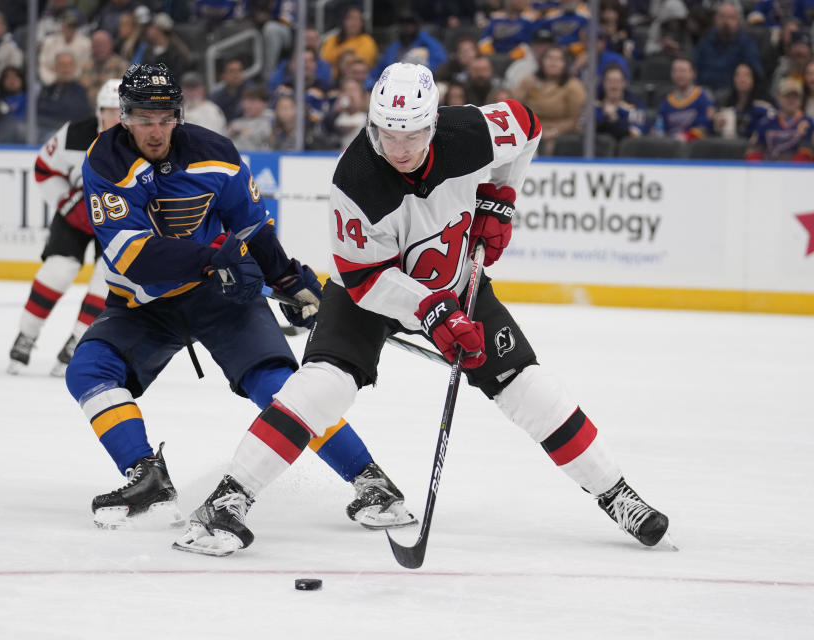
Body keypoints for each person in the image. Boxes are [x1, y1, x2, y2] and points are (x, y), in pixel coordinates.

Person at [174, 62, 671, 557]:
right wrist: (432, 310)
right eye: (389, 134)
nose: (401, 148)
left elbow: (528, 125)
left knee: (530, 388)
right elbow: (366, 279)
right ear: (373, 126)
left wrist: (502, 195)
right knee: (322, 387)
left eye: (412, 133)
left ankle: (615, 493)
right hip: (369, 293)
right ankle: (228, 499)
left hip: (457, 282)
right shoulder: (356, 179)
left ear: (433, 124)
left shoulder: (469, 133)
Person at [65, 62, 415, 532]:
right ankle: (145, 475)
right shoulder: (104, 162)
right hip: (144, 303)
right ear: (124, 117)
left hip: (221, 296)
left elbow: (252, 227)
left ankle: (371, 481)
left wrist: (291, 281)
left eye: (165, 117)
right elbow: (131, 255)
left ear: (179, 115)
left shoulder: (217, 155)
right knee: (88, 369)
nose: (156, 130)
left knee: (278, 386)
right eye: (144, 119)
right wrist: (213, 256)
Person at [7, 79, 122, 377]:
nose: (114, 118)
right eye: (109, 110)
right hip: (76, 214)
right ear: (98, 110)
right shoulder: (74, 134)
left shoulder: (142, 141)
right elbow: (45, 169)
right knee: (57, 271)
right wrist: (68, 203)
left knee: (107, 282)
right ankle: (26, 335)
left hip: (118, 222)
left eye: (121, 111)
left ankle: (78, 342)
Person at [513, 45, 587, 155]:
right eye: (549, 58)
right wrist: (524, 89)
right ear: (542, 62)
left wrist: (555, 131)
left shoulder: (573, 86)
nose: (553, 63)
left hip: (559, 131)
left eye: (558, 59)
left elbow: (575, 119)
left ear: (565, 64)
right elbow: (514, 108)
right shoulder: (529, 80)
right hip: (530, 128)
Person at [693, 1, 763, 91]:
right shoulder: (705, 42)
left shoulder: (746, 44)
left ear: (738, 21)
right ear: (715, 20)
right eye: (722, 17)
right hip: (706, 93)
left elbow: (756, 74)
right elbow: (694, 70)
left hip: (733, 96)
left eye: (731, 18)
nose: (726, 22)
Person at [746, 77, 814, 161]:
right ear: (779, 97)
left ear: (801, 99)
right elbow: (753, 154)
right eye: (787, 96)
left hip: (796, 172)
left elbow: (805, 154)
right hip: (767, 170)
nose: (791, 100)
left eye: (795, 96)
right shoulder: (766, 123)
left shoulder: (807, 122)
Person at [654, 56, 715, 141]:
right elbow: (659, 127)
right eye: (676, 71)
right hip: (670, 147)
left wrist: (686, 137)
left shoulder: (703, 96)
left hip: (695, 148)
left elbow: (705, 126)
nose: (679, 75)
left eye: (683, 71)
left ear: (693, 73)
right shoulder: (666, 101)